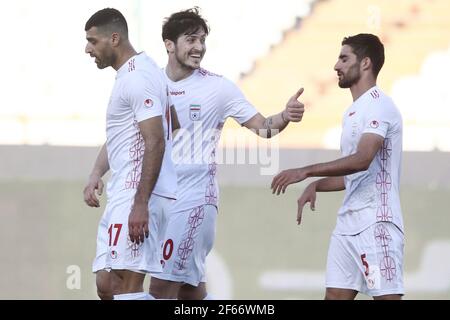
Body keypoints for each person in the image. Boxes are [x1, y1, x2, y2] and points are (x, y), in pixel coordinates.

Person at [148, 7, 305, 300]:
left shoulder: (218, 88)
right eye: (191, 39)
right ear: (169, 44)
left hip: (194, 201)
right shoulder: (150, 84)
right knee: (189, 290)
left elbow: (264, 128)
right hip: (160, 201)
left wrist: (285, 115)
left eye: (202, 40)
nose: (199, 47)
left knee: (160, 289)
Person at [271, 33, 404, 300]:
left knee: (387, 297)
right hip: (347, 226)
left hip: (375, 224)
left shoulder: (380, 105)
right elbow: (354, 175)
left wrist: (306, 171)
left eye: (344, 58)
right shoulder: (352, 111)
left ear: (365, 63)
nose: (336, 66)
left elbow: (363, 158)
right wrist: (317, 185)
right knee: (334, 295)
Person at [83, 8, 177, 300]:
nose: (88, 49)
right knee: (107, 284)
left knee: (126, 286)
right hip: (124, 192)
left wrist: (142, 202)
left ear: (114, 38)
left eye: (92, 41)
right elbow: (171, 122)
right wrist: (97, 173)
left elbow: (156, 140)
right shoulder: (135, 74)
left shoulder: (139, 77)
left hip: (138, 194)